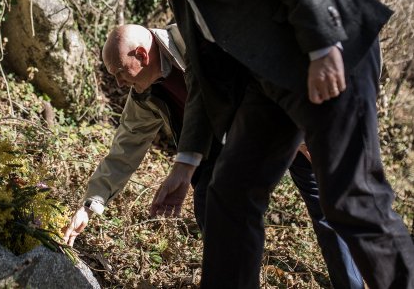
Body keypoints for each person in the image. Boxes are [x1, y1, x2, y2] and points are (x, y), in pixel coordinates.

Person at [116, 0, 414, 288]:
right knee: (230, 192)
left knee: (351, 196)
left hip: (327, 48)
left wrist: (322, 43)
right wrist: (185, 164)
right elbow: (205, 79)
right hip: (270, 83)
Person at [63, 24, 363, 289]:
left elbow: (263, 66)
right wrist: (90, 205)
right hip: (224, 150)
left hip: (283, 117)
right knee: (210, 202)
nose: (118, 84)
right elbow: (123, 150)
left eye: (119, 72)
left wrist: (300, 126)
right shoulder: (143, 96)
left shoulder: (196, 34)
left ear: (142, 55)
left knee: (326, 204)